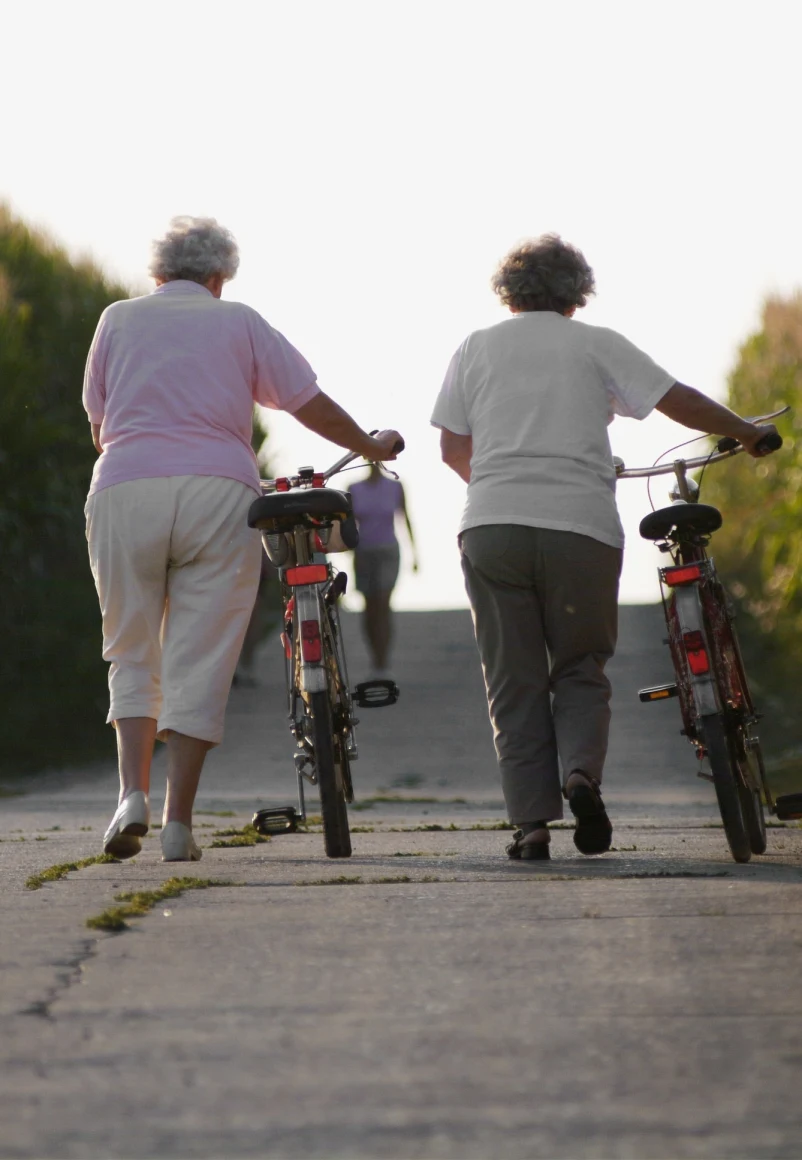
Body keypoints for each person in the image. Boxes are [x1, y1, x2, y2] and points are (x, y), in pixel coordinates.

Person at [430, 233, 776, 862]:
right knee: (580, 668)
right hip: (579, 528)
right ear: (575, 292)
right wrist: (746, 432)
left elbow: (454, 451)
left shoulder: (474, 347)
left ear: (510, 291)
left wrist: (505, 489)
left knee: (514, 681)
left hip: (492, 527)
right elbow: (678, 401)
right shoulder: (596, 343)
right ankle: (581, 776)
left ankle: (531, 827)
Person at [83, 216, 403, 862]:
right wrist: (368, 445)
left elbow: (100, 425)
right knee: (198, 656)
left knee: (131, 645)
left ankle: (130, 796)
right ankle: (177, 825)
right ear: (218, 276)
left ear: (155, 273)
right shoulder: (239, 321)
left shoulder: (116, 320)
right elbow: (304, 400)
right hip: (219, 493)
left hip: (124, 489)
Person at [348, 463, 418, 674]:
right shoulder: (354, 488)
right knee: (369, 607)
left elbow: (404, 518)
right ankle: (374, 654)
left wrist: (415, 553)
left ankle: (382, 660)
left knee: (383, 602)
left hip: (388, 550)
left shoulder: (396, 487)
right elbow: (349, 524)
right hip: (363, 551)